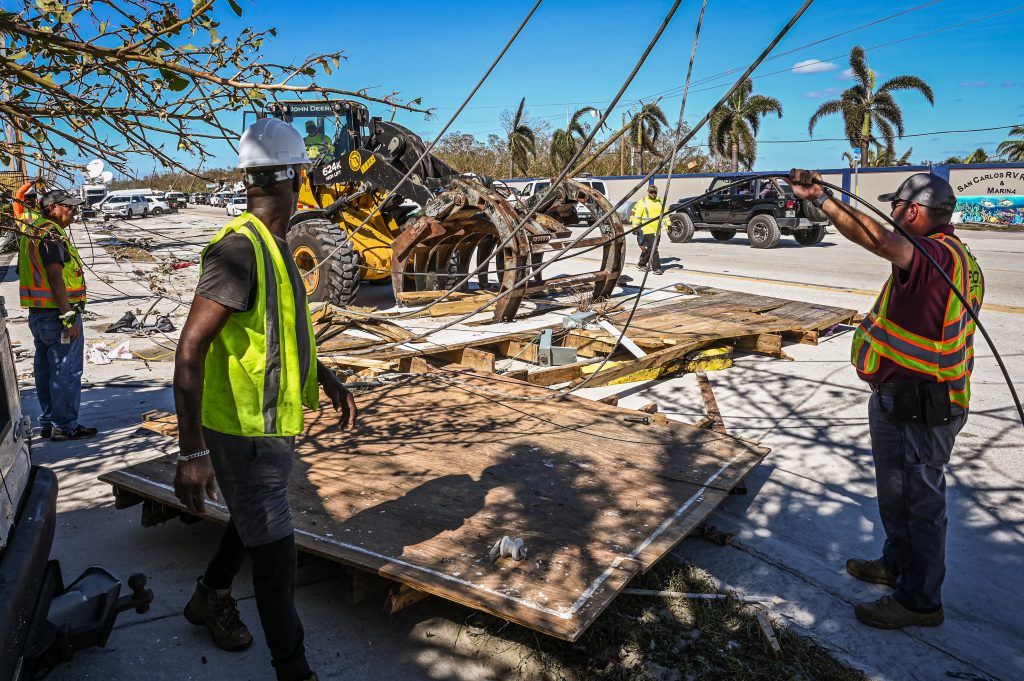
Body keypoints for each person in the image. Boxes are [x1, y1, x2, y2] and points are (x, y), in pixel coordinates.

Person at [173, 117, 357, 681]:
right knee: (277, 559)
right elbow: (190, 348)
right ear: (296, 177)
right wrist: (191, 452)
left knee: (251, 519)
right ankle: (294, 669)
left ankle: (208, 595)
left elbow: (279, 328)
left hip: (270, 427)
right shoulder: (240, 251)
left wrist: (323, 375)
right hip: (239, 431)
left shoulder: (273, 246)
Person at [790, 169, 984, 629]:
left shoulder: (933, 254)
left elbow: (878, 240)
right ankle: (897, 565)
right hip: (906, 398)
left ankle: (919, 602)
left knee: (919, 503)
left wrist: (823, 200)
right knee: (897, 495)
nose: (892, 213)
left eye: (896, 206)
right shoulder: (952, 256)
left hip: (924, 405)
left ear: (913, 211)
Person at [20, 189, 97, 441]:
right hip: (57, 316)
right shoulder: (51, 233)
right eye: (69, 207)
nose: (73, 212)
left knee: (45, 370)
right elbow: (55, 276)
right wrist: (68, 316)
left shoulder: (32, 230)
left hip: (39, 316)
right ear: (53, 208)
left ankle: (49, 421)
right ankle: (64, 425)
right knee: (66, 370)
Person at [630, 184, 665, 275]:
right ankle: (656, 268)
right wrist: (635, 228)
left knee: (650, 249)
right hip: (647, 229)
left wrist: (669, 226)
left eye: (655, 192)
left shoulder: (660, 202)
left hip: (657, 230)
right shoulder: (643, 202)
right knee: (654, 248)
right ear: (648, 192)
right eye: (651, 192)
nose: (653, 193)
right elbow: (636, 216)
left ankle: (641, 264)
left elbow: (665, 215)